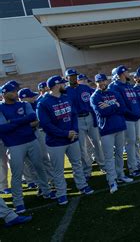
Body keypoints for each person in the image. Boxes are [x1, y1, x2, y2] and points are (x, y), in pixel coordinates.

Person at [36, 75, 94, 206]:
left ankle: (82, 185)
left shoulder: (66, 97)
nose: (65, 85)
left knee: (77, 164)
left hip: (72, 138)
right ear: (56, 85)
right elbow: (46, 125)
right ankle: (61, 193)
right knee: (58, 170)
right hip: (56, 142)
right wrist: (65, 133)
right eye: (62, 83)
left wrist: (74, 131)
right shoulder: (43, 102)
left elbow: (73, 115)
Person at [0, 83, 55, 214]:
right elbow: (2, 128)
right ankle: (18, 202)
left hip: (31, 140)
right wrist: (23, 122)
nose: (15, 93)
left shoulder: (24, 104)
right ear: (4, 93)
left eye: (16, 90)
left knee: (39, 167)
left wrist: (13, 122)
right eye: (12, 91)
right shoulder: (1, 108)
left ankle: (46, 191)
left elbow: (32, 117)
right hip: (14, 145)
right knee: (17, 174)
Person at [90, 74, 134, 194]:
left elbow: (123, 108)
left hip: (119, 126)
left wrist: (110, 106)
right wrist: (115, 105)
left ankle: (121, 174)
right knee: (109, 157)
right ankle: (112, 180)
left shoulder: (114, 92)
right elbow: (102, 112)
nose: (102, 83)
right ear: (96, 83)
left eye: (103, 80)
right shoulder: (94, 97)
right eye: (99, 81)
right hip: (106, 130)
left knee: (120, 153)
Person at [65, 68, 104, 180]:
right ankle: (87, 170)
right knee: (82, 147)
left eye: (74, 76)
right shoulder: (65, 91)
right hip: (77, 119)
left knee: (97, 142)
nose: (73, 78)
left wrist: (96, 119)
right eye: (70, 76)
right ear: (66, 78)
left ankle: (103, 164)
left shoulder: (85, 88)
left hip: (89, 116)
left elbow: (96, 98)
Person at [108, 65, 140, 176]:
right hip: (127, 119)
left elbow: (135, 101)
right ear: (121, 74)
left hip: (135, 117)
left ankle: (138, 162)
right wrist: (132, 113)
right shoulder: (115, 87)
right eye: (127, 72)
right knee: (131, 143)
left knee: (136, 141)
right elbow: (121, 106)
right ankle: (132, 168)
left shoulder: (128, 85)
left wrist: (138, 111)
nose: (129, 73)